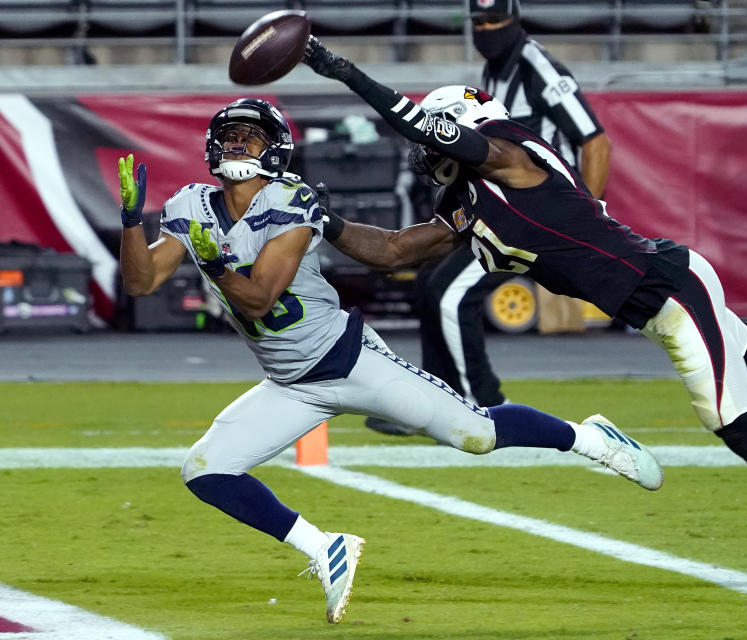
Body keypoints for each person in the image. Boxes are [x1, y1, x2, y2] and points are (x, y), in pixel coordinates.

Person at [299, 40, 747, 616]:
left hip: (667, 287)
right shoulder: (470, 198)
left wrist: (346, 73)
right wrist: (323, 220)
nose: (427, 159)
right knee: (743, 354)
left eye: (435, 143)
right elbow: (394, 251)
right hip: (651, 299)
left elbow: (423, 126)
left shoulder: (509, 151)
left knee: (727, 415)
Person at [115, 98, 664, 624]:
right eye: (229, 135)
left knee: (476, 435)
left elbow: (259, 298)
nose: (236, 143)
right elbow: (141, 282)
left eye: (249, 136)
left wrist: (213, 260)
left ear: (275, 149)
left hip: (350, 362)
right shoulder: (191, 205)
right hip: (288, 383)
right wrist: (131, 221)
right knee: (205, 470)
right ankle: (326, 547)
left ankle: (591, 439)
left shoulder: (291, 201)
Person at [365, 0, 613, 436]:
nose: (487, 29)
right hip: (499, 208)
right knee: (429, 283)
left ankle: (488, 413)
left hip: (539, 215)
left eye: (495, 20)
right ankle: (431, 401)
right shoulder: (495, 71)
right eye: (478, 22)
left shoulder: (540, 69)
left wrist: (587, 217)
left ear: (516, 20)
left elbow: (595, 142)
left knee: (450, 295)